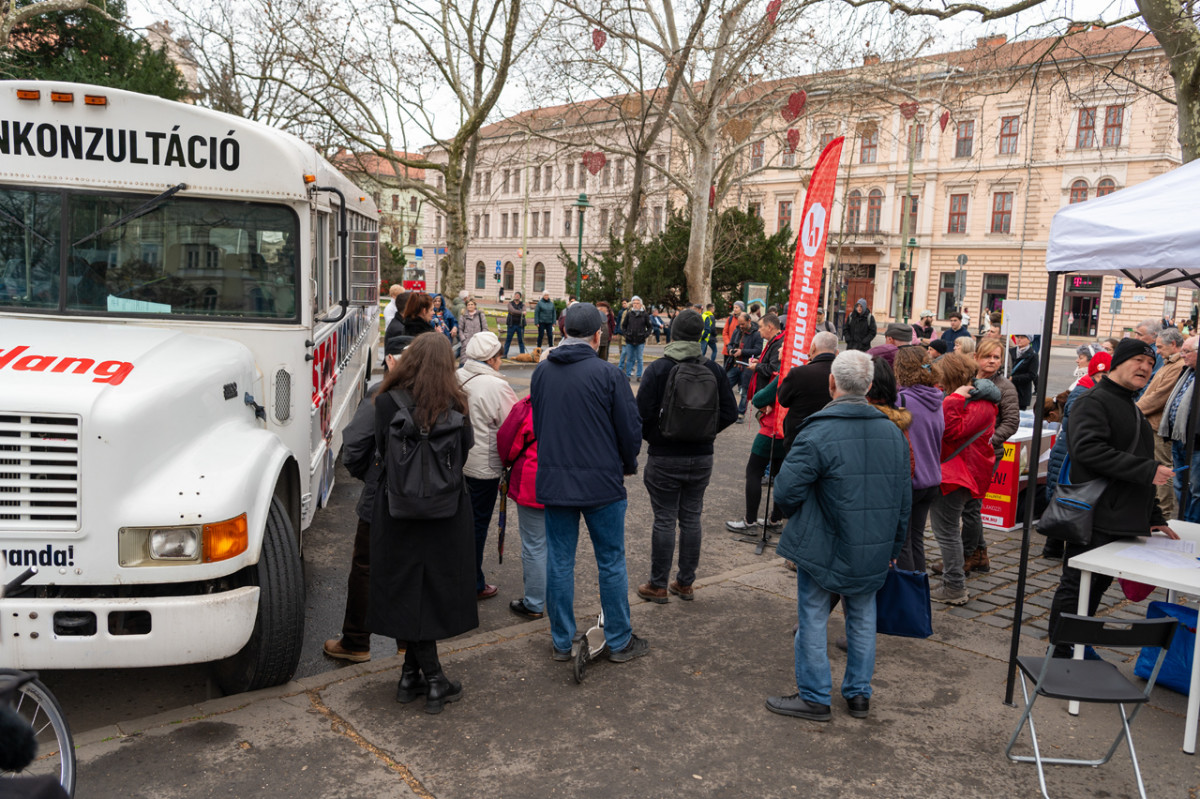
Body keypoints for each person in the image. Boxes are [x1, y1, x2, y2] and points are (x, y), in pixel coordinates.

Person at [765, 350, 911, 722]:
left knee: (814, 616)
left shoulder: (819, 429)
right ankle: (858, 695)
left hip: (824, 543)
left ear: (833, 384)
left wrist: (808, 518)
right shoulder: (892, 433)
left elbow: (785, 493)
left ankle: (815, 696)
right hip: (872, 544)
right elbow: (902, 501)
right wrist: (893, 546)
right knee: (861, 616)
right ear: (867, 387)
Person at [530, 302, 648, 664]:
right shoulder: (608, 374)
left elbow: (539, 424)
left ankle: (561, 642)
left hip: (555, 479)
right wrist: (628, 464)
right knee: (611, 560)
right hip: (602, 483)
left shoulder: (542, 373)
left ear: (563, 331)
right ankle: (619, 638)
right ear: (599, 336)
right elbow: (630, 429)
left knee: (560, 561)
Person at [1047, 338, 1177, 657]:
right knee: (1078, 586)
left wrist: (1155, 517)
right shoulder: (1094, 400)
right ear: (1117, 363)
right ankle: (1063, 651)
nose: (1146, 368)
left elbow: (1138, 456)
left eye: (1150, 363)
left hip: (1119, 517)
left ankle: (1078, 642)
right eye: (1138, 361)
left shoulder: (1129, 403)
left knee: (1097, 586)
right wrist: (1147, 471)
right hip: (1095, 514)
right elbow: (1088, 452)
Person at [368, 333, 477, 714]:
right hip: (446, 513)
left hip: (397, 510)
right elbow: (464, 452)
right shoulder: (457, 403)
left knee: (405, 590)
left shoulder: (385, 402)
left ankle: (409, 676)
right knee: (431, 593)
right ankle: (434, 679)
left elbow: (380, 448)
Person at [635, 310, 737, 603]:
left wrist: (657, 436)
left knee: (664, 519)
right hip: (701, 456)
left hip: (664, 456)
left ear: (673, 334)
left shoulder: (658, 369)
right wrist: (706, 431)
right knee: (692, 518)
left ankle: (657, 585)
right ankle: (685, 583)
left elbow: (640, 415)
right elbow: (730, 412)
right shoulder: (714, 369)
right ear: (700, 337)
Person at [324, 333, 408, 664]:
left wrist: (370, 476)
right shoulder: (438, 394)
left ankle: (357, 641)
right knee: (409, 567)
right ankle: (408, 643)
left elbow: (354, 447)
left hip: (382, 496)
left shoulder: (380, 395)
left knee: (365, 567)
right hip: (424, 501)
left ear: (390, 361)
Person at [929, 352, 999, 606]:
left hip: (957, 475)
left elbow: (950, 431)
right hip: (960, 472)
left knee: (946, 532)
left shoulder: (973, 402)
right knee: (947, 530)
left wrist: (954, 399)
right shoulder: (976, 400)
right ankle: (953, 581)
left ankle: (955, 587)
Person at [456, 331, 518, 601]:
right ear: (492, 359)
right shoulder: (497, 387)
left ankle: (458, 576)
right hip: (484, 467)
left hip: (456, 462)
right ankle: (473, 582)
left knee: (458, 522)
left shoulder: (457, 377)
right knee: (478, 525)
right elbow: (513, 424)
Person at [958, 338, 1020, 572]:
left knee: (971, 506)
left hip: (987, 454)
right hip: (964, 453)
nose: (992, 361)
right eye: (988, 356)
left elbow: (1011, 422)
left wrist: (988, 440)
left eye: (997, 357)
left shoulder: (1005, 387)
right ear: (976, 357)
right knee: (968, 505)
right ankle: (980, 553)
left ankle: (965, 557)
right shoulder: (967, 380)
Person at [1043, 351, 1111, 559]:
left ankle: (1053, 548)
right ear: (1093, 375)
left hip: (1067, 452)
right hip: (1068, 455)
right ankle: (1060, 547)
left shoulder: (1087, 389)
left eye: (1108, 374)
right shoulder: (1084, 393)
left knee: (1063, 497)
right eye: (1102, 375)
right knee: (1067, 498)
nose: (1105, 379)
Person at [895, 345, 944, 571]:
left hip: (911, 481)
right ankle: (919, 592)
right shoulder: (936, 398)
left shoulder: (902, 401)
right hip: (932, 479)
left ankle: (906, 598)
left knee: (902, 543)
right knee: (916, 541)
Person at [497, 395, 546, 620]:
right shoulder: (582, 398)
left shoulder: (529, 405)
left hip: (533, 482)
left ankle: (534, 603)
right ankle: (557, 599)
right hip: (571, 483)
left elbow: (507, 442)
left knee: (535, 545)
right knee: (561, 546)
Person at [725, 373, 788, 533]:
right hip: (790, 432)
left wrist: (769, 402)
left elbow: (759, 399)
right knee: (781, 476)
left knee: (753, 472)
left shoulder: (787, 370)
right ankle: (776, 519)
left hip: (772, 430)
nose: (780, 351)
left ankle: (750, 521)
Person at [1137, 328, 1187, 521]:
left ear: (1173, 345)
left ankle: (1163, 512)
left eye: (1160, 347)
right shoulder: (1170, 364)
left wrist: (1135, 410)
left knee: (1162, 467)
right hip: (1153, 423)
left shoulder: (1177, 365)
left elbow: (1159, 397)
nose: (1157, 351)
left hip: (1159, 426)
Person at [1158, 337, 1200, 521]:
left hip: (1196, 443)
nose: (1182, 355)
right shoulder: (1187, 371)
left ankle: (1192, 526)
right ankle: (1184, 520)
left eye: (1187, 351)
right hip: (1179, 439)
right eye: (1182, 351)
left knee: (1196, 489)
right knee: (1181, 486)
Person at [777, 331, 838, 447]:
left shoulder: (799, 373)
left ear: (813, 348)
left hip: (800, 437)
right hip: (832, 438)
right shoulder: (843, 374)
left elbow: (782, 399)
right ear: (837, 352)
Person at [725, 313, 762, 421]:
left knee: (745, 392)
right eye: (739, 324)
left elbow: (758, 350)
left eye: (743, 324)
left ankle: (740, 413)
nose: (741, 326)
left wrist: (742, 352)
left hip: (747, 367)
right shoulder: (737, 331)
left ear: (749, 321)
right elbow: (730, 344)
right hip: (734, 365)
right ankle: (727, 410)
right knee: (725, 386)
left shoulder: (756, 334)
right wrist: (730, 350)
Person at [620, 295, 652, 381]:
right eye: (634, 303)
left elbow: (649, 327)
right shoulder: (629, 314)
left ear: (641, 304)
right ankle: (628, 375)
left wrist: (645, 335)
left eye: (637, 303)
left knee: (640, 359)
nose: (635, 305)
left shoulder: (645, 315)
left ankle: (639, 376)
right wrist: (626, 334)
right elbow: (623, 326)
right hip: (629, 340)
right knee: (629, 358)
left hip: (640, 340)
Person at [1008, 333, 1038, 410]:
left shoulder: (1033, 355)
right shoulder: (1010, 351)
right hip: (1008, 390)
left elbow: (1032, 375)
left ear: (1029, 340)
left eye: (1022, 337)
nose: (1019, 339)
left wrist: (1013, 378)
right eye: (1018, 337)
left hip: (1021, 393)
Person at [504, 292, 527, 357]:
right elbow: (512, 310)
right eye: (516, 295)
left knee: (521, 340)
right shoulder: (510, 304)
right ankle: (505, 354)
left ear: (520, 297)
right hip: (511, 325)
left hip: (520, 325)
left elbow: (522, 311)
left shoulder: (523, 304)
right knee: (508, 340)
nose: (517, 296)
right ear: (514, 296)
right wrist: (521, 312)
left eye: (518, 295)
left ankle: (522, 355)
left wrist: (515, 312)